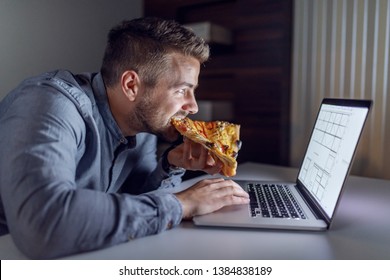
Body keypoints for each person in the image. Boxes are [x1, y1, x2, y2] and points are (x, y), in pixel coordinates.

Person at [0, 17, 249, 259]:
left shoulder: (140, 124)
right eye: (182, 90)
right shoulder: (50, 106)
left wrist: (171, 165)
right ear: (131, 85)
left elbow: (134, 199)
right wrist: (182, 205)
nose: (193, 106)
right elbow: (42, 225)